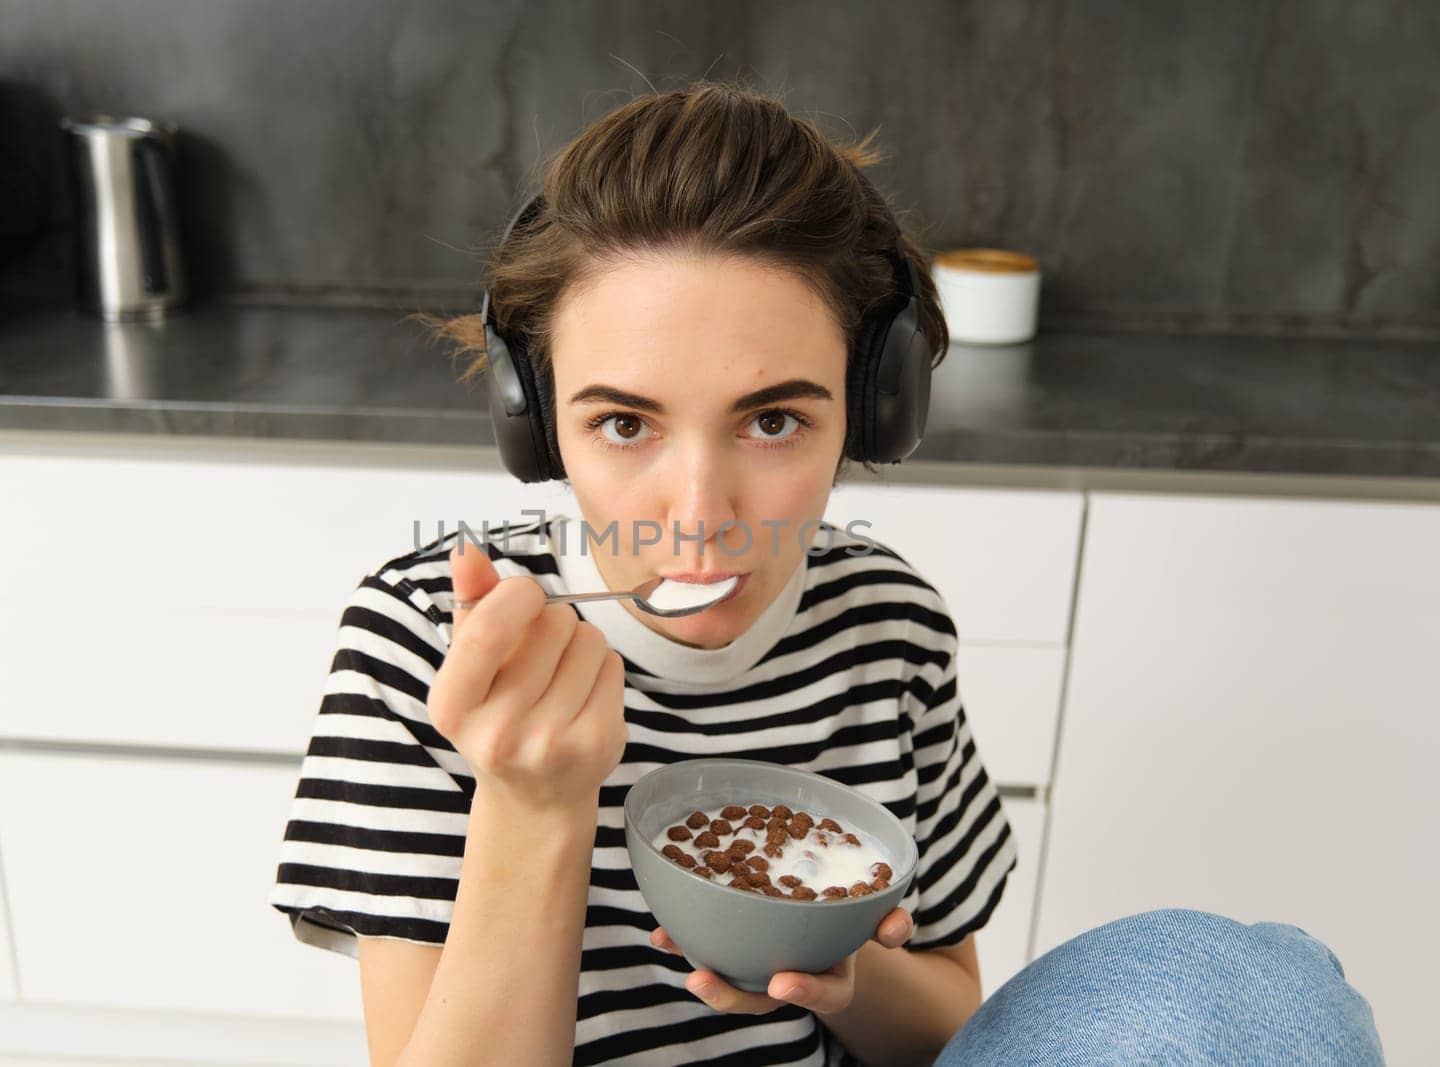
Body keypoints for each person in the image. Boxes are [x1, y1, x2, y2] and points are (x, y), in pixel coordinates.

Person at [269, 82, 1383, 1066]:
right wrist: (535, 799)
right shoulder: (430, 638)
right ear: (536, 420)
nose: (698, 517)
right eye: (622, 422)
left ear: (871, 408)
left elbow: (953, 1024)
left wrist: (838, 975)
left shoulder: (884, 625)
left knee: (1268, 975)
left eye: (770, 420)